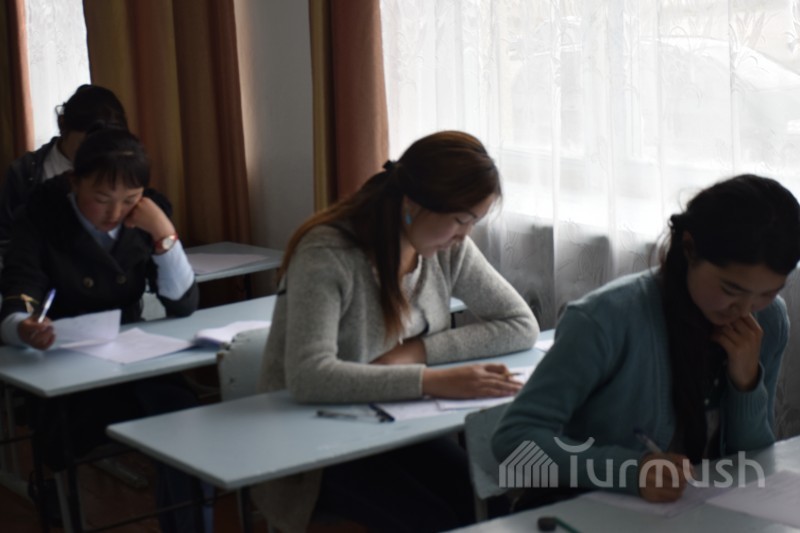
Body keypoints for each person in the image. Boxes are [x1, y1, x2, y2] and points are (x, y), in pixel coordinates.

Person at [253, 130, 539, 532]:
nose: (464, 235)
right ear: (413, 204)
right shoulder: (328, 253)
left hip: (395, 426)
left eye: (473, 222)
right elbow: (308, 376)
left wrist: (418, 352)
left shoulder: (448, 248)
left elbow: (520, 324)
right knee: (438, 521)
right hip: (313, 447)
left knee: (489, 506)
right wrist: (432, 381)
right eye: (460, 220)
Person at [493, 174, 800, 506]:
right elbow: (514, 442)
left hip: (697, 511)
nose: (744, 309)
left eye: (767, 293)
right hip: (592, 509)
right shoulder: (605, 319)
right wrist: (629, 470)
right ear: (689, 248)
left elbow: (753, 461)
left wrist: (746, 384)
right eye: (730, 289)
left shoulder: (767, 321)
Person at [0, 126, 206, 532]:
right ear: (74, 182)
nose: (115, 213)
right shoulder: (41, 219)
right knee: (65, 437)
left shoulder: (146, 217)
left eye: (130, 200)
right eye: (102, 199)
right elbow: (20, 291)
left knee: (186, 419)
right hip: (62, 365)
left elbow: (183, 304)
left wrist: (163, 233)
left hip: (132, 359)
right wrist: (25, 327)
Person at [0, 84, 128, 272]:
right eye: (85, 144)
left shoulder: (123, 169)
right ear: (62, 125)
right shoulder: (25, 172)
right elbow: (5, 238)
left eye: (104, 144)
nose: (94, 153)